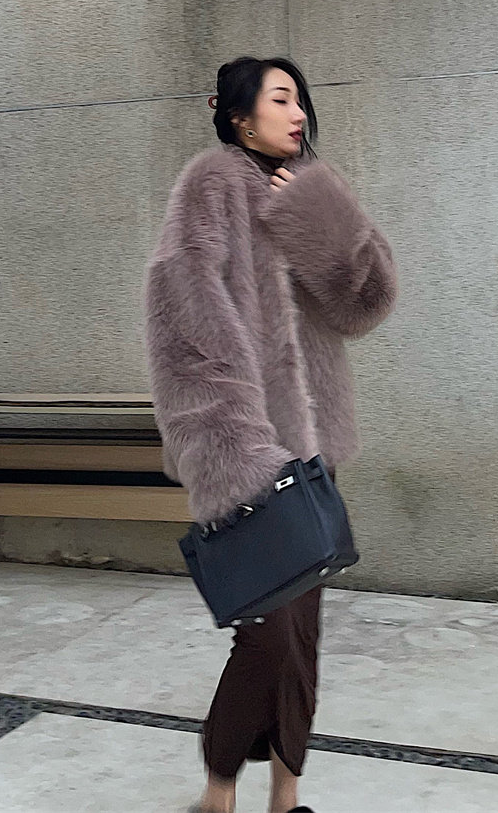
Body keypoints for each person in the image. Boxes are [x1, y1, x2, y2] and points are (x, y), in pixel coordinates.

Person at [144, 56, 398, 813]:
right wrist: (230, 445)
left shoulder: (306, 186)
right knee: (267, 635)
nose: (298, 113)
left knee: (304, 638)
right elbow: (182, 311)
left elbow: (365, 303)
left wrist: (322, 214)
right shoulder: (211, 183)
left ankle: (286, 796)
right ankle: (218, 790)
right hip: (246, 454)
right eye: (281, 98)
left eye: (300, 100)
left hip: (311, 460)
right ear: (239, 116)